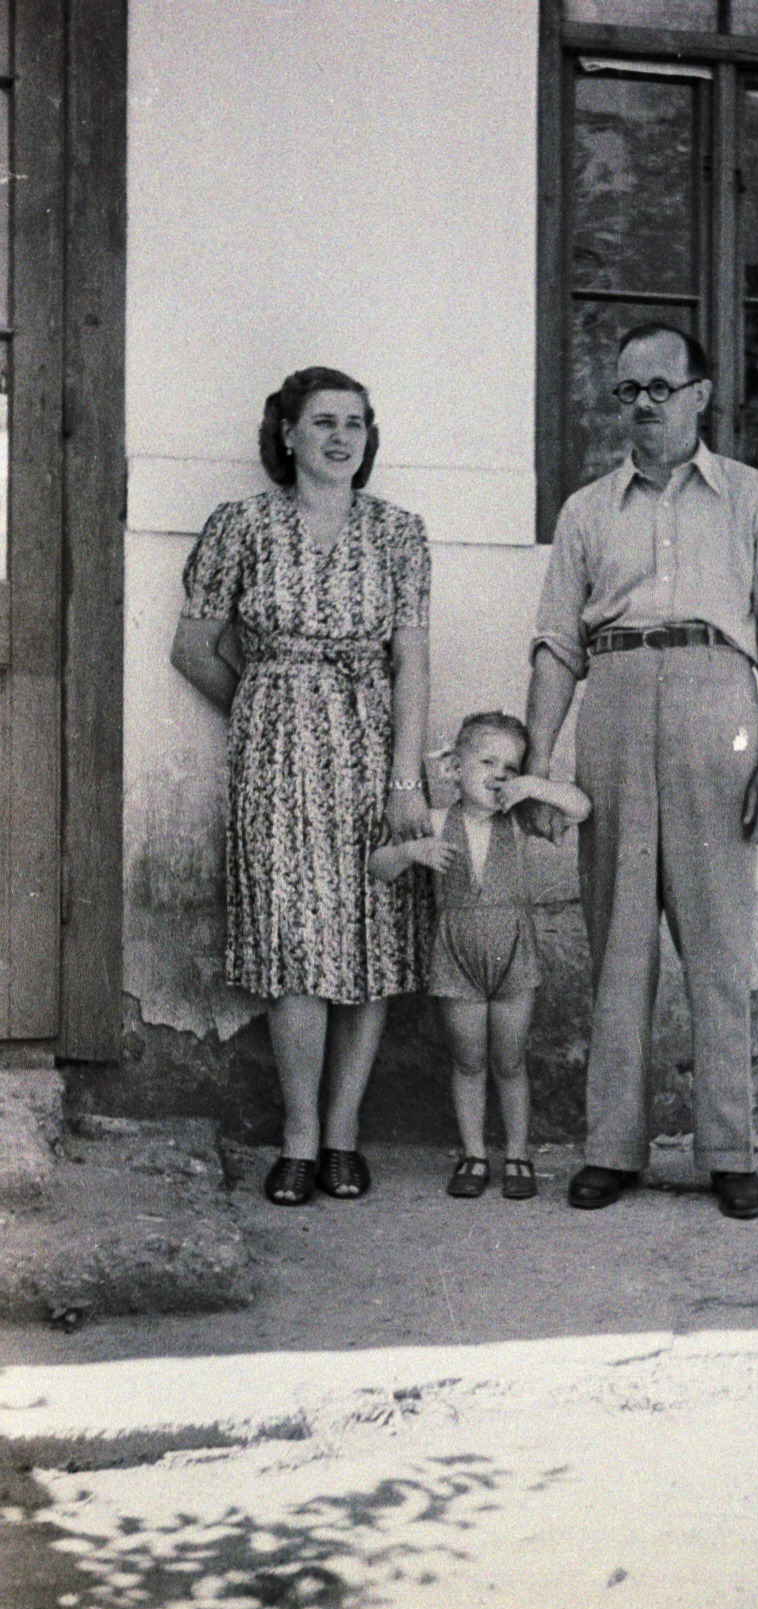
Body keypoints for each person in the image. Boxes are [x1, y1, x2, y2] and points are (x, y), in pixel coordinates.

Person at [526, 323, 758, 1219]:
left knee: (717, 945)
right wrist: (537, 766)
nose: (643, 405)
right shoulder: (585, 512)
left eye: (660, 387)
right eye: (627, 391)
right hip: (612, 700)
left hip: (714, 708)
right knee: (616, 940)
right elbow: (554, 648)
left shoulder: (753, 500)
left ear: (699, 395)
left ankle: (728, 1148)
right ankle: (613, 1147)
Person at [171, 366, 433, 1207]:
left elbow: (412, 663)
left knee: (370, 942)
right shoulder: (240, 525)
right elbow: (193, 647)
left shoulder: (398, 532)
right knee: (297, 947)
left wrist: (403, 776)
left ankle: (343, 1136)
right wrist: (265, 704)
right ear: (286, 432)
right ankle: (295, 1137)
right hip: (276, 759)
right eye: (321, 421)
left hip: (371, 754)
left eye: (355, 422)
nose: (339, 437)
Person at [370, 711, 591, 1200]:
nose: (499, 774)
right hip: (456, 956)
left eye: (510, 767)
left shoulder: (519, 821)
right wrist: (412, 853)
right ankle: (473, 1155)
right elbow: (378, 866)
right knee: (468, 1061)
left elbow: (580, 807)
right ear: (453, 768)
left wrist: (536, 785)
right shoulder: (433, 821)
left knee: (510, 1062)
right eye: (487, 761)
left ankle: (518, 1154)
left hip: (513, 953)